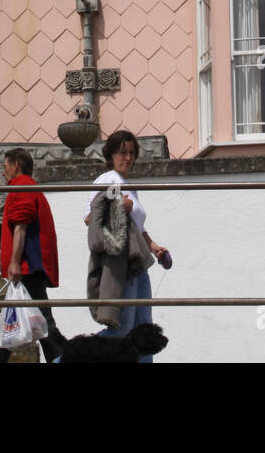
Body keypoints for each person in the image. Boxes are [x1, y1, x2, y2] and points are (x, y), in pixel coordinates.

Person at [85, 131, 169, 364]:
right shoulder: (109, 180)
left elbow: (137, 227)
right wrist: (122, 205)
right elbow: (91, 217)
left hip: (138, 262)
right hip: (121, 265)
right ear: (111, 154)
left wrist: (153, 246)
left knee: (145, 331)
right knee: (121, 329)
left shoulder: (127, 184)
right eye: (122, 152)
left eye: (132, 153)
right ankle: (71, 356)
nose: (128, 158)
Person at [0, 148, 63, 363]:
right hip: (31, 265)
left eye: (5, 167)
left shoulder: (21, 187)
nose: (4, 173)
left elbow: (20, 225)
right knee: (39, 322)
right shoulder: (30, 187)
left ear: (15, 166)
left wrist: (14, 262)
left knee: (45, 325)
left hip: (27, 266)